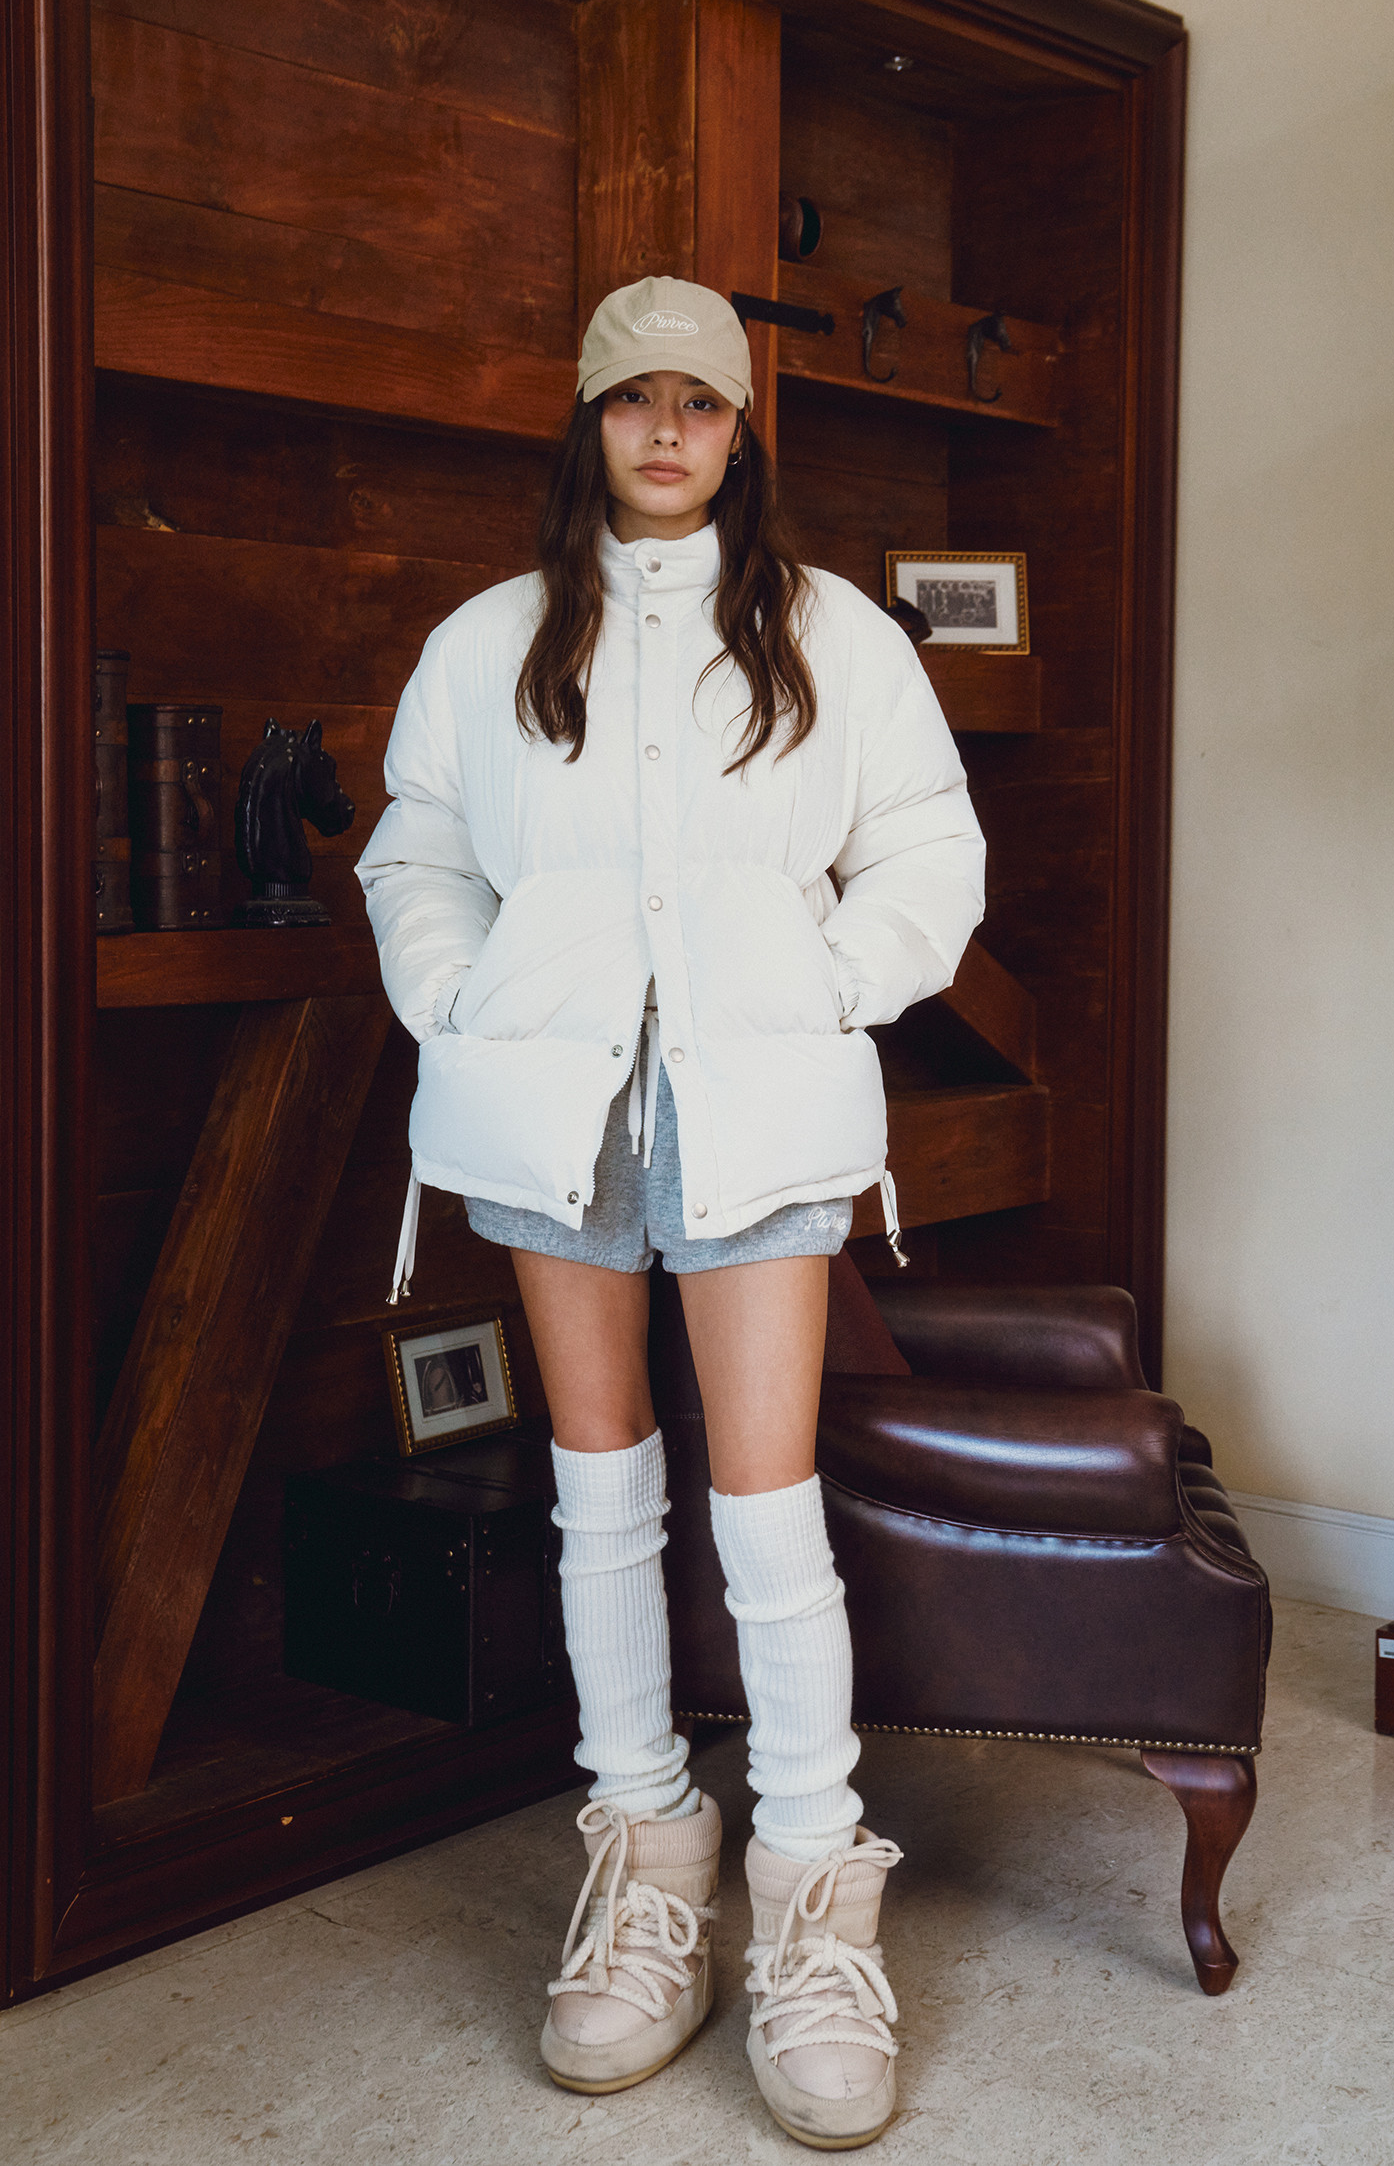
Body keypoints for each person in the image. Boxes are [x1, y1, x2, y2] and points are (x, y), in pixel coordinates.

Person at [357, 277, 985, 2149]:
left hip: (755, 1102)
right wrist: (461, 998)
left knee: (767, 1504)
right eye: (631, 400)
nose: (664, 431)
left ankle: (809, 1892)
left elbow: (929, 845)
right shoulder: (489, 642)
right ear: (588, 420)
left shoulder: (832, 633)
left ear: (737, 429)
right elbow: (416, 849)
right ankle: (643, 1860)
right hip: (550, 1105)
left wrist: (825, 979)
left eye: (697, 403)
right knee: (600, 1487)